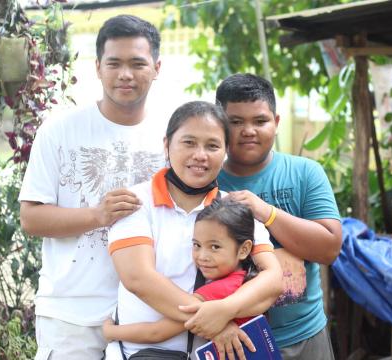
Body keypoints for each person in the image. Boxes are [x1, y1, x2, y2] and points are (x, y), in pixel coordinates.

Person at [19, 15, 165, 360]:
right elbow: (31, 219)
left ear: (157, 67)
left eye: (137, 63)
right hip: (70, 314)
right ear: (98, 67)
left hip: (147, 313)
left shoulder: (172, 136)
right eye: (114, 63)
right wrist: (97, 214)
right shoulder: (59, 130)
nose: (125, 74)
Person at [105, 101, 283, 360]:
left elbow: (273, 279)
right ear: (167, 145)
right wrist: (216, 322)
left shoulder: (235, 209)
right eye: (189, 143)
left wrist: (223, 312)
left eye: (212, 146)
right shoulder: (135, 202)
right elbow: (138, 279)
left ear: (225, 152)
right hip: (143, 354)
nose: (200, 155)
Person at [216, 73, 342, 360]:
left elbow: (330, 248)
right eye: (235, 122)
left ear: (276, 122)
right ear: (219, 124)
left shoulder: (305, 172)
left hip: (304, 335)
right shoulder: (205, 182)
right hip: (232, 340)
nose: (248, 130)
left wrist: (265, 212)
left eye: (260, 121)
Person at [102, 198, 258, 344]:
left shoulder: (217, 292)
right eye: (197, 245)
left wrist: (112, 332)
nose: (202, 256)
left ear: (244, 249)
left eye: (215, 247)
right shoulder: (249, 281)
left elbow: (156, 333)